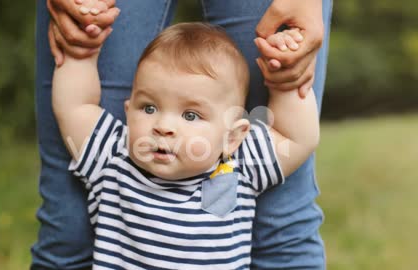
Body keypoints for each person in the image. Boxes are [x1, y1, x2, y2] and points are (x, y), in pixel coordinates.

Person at [32, 0, 332, 269]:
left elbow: (296, 138)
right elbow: (75, 107)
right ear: (128, 110)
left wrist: (285, 83)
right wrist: (80, 53)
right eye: (148, 108)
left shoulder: (237, 168)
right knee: (63, 226)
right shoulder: (114, 158)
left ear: (233, 136)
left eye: (191, 115)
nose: (163, 126)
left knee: (285, 228)